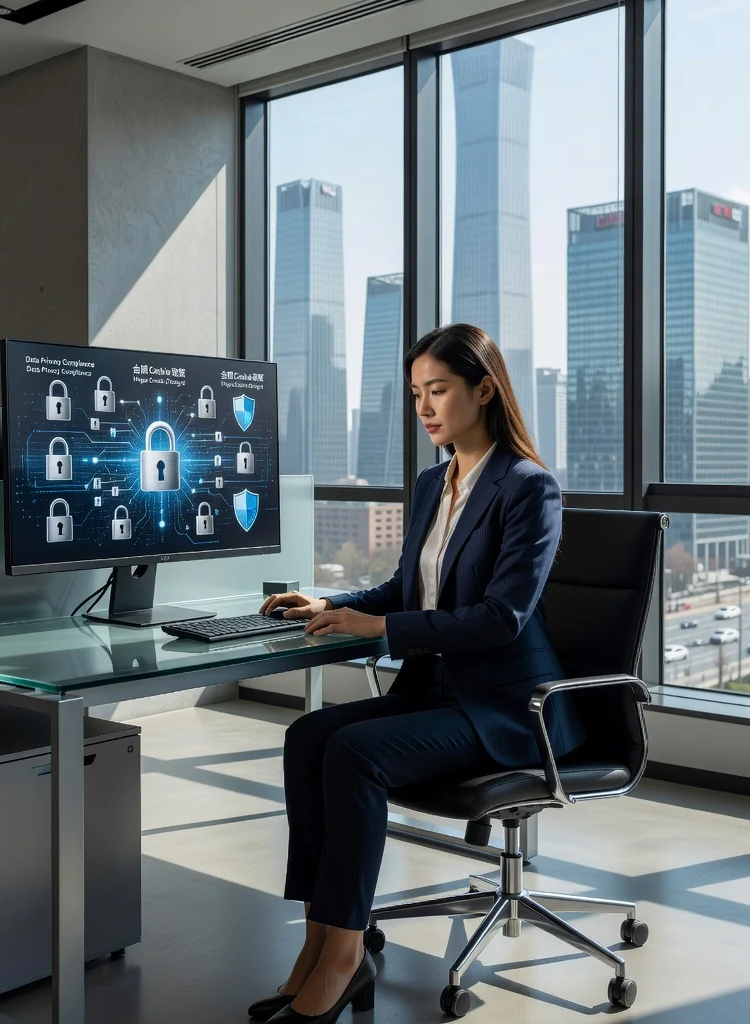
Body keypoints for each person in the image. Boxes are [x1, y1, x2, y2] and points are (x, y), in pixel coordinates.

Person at [248, 323, 585, 1023]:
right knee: (308, 737)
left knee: (354, 753)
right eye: (415, 395)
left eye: (439, 390)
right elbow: (407, 589)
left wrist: (380, 630)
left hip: (506, 706)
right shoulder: (434, 482)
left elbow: (502, 618)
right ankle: (320, 942)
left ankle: (345, 957)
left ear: (484, 390)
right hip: (438, 690)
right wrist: (333, 603)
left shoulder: (528, 488)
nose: (425, 407)